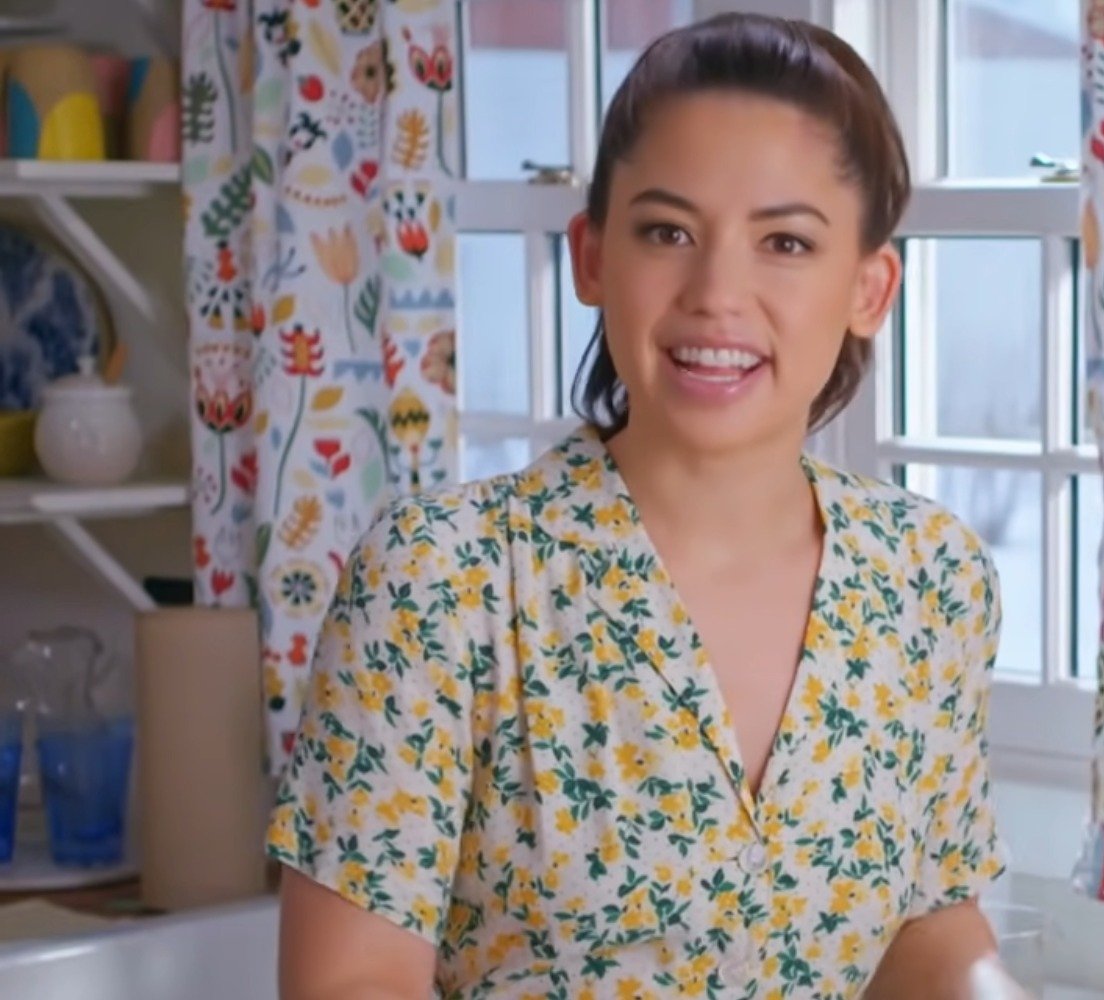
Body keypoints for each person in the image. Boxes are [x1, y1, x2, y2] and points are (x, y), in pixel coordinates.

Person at [267, 13, 1022, 998]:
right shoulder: (439, 583)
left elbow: (926, 925)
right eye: (667, 232)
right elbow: (350, 983)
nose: (716, 292)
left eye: (785, 242)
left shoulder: (929, 576)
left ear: (869, 289)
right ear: (591, 257)